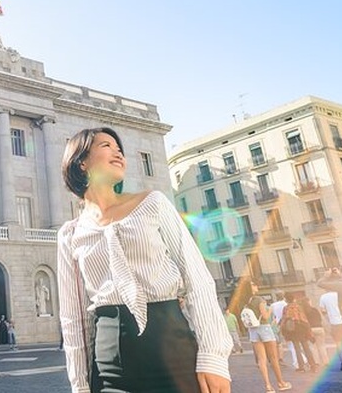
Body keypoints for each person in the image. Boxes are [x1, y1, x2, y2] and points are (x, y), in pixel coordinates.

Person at [57, 127, 232, 393]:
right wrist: (80, 385)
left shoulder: (153, 203)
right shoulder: (70, 234)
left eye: (119, 148)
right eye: (106, 146)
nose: (118, 152)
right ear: (82, 162)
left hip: (174, 350)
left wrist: (213, 357)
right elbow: (73, 317)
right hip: (109, 367)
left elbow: (196, 277)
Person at [243, 282, 291, 393]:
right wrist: (270, 309)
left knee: (261, 360)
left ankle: (268, 386)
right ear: (251, 288)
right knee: (273, 358)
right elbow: (265, 316)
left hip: (253, 330)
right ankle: (281, 383)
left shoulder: (247, 301)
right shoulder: (260, 299)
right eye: (254, 284)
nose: (256, 286)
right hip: (264, 328)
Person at [318, 287, 342, 370]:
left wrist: (328, 319)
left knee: (338, 343)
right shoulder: (339, 295)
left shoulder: (323, 297)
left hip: (334, 323)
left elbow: (323, 311)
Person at [280, 292, 316, 372]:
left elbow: (284, 319)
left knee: (297, 349)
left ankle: (301, 367)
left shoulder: (286, 308)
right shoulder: (299, 307)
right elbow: (304, 319)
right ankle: (312, 365)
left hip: (293, 329)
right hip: (302, 328)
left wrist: (282, 331)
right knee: (306, 347)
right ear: (294, 299)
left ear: (286, 299)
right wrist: (309, 331)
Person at [298, 296, 329, 366]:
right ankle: (326, 362)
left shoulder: (303, 312)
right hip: (319, 328)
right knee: (322, 346)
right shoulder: (315, 310)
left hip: (310, 330)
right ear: (309, 302)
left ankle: (316, 362)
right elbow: (320, 319)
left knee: (313, 347)